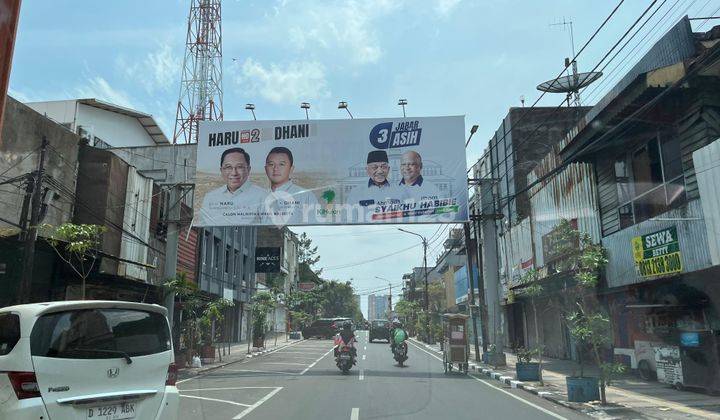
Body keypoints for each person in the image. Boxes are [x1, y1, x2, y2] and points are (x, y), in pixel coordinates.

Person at [199, 147, 267, 225]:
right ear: (221, 170)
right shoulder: (210, 197)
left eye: (239, 167)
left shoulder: (263, 197)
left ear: (248, 169)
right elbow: (203, 226)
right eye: (228, 167)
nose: (234, 173)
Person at [261, 146, 321, 225]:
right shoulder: (259, 197)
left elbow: (314, 227)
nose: (275, 168)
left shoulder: (305, 196)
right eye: (271, 164)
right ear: (265, 169)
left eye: (281, 164)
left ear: (291, 168)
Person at [346, 151, 407, 220]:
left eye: (383, 167)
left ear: (388, 169)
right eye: (375, 167)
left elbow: (407, 217)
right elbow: (348, 220)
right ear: (367, 170)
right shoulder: (356, 192)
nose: (380, 171)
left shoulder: (401, 191)